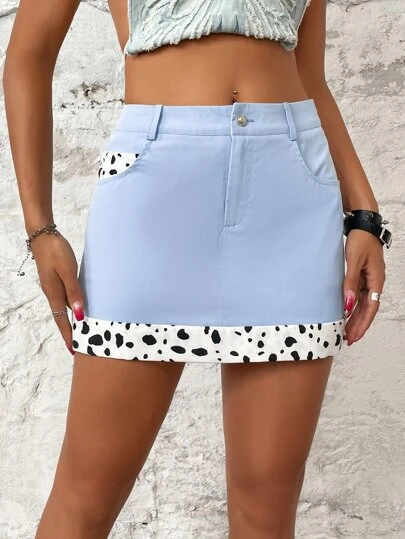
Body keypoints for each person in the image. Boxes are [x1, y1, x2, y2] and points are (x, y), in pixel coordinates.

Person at [3, 0, 391, 537]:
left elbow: (310, 76)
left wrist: (364, 216)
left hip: (290, 195)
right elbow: (28, 54)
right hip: (153, 195)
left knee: (267, 507)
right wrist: (40, 229)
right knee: (86, 495)